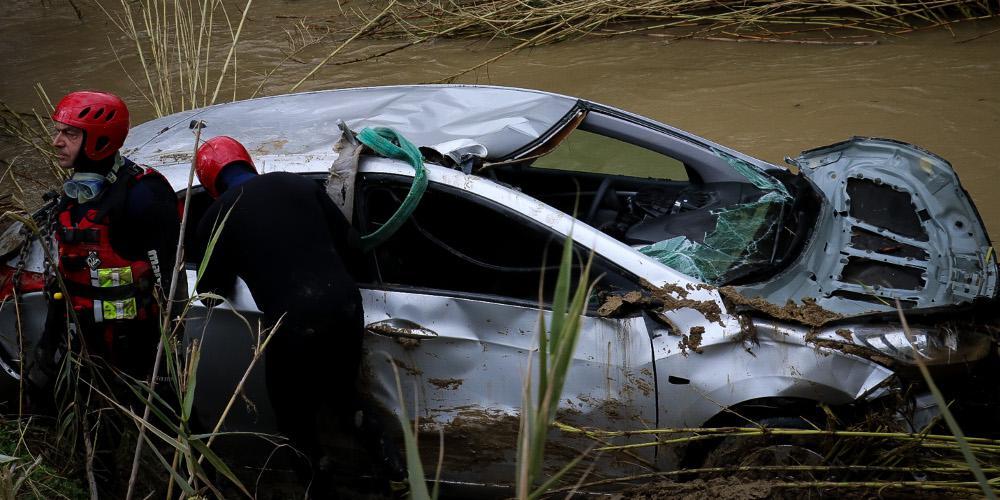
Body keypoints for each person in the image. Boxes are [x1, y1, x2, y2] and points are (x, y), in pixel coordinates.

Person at [191, 136, 370, 495]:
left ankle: (318, 486)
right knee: (343, 394)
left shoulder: (216, 215)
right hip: (347, 306)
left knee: (294, 420)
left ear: (209, 181)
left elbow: (210, 293)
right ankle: (387, 458)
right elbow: (351, 243)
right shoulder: (297, 183)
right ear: (248, 161)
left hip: (295, 326)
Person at [39, 90, 179, 383]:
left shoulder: (143, 194)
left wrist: (171, 352)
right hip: (88, 341)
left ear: (100, 139)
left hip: (135, 349)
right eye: (58, 131)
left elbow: (170, 277)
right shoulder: (80, 191)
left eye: (70, 134)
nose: (57, 142)